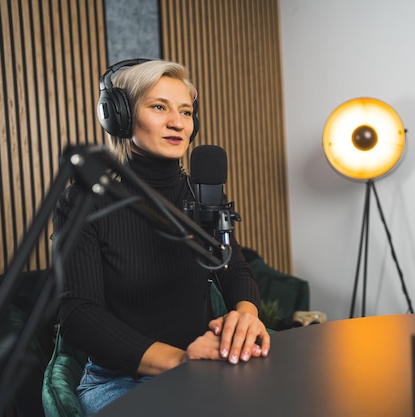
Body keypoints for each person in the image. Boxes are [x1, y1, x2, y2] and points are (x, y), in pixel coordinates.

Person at [52, 59, 270, 416]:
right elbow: (78, 313)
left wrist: (246, 314)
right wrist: (180, 358)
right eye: (158, 107)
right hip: (119, 380)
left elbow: (233, 268)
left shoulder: (201, 193)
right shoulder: (83, 200)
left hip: (201, 368)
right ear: (118, 117)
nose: (177, 122)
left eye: (185, 111)